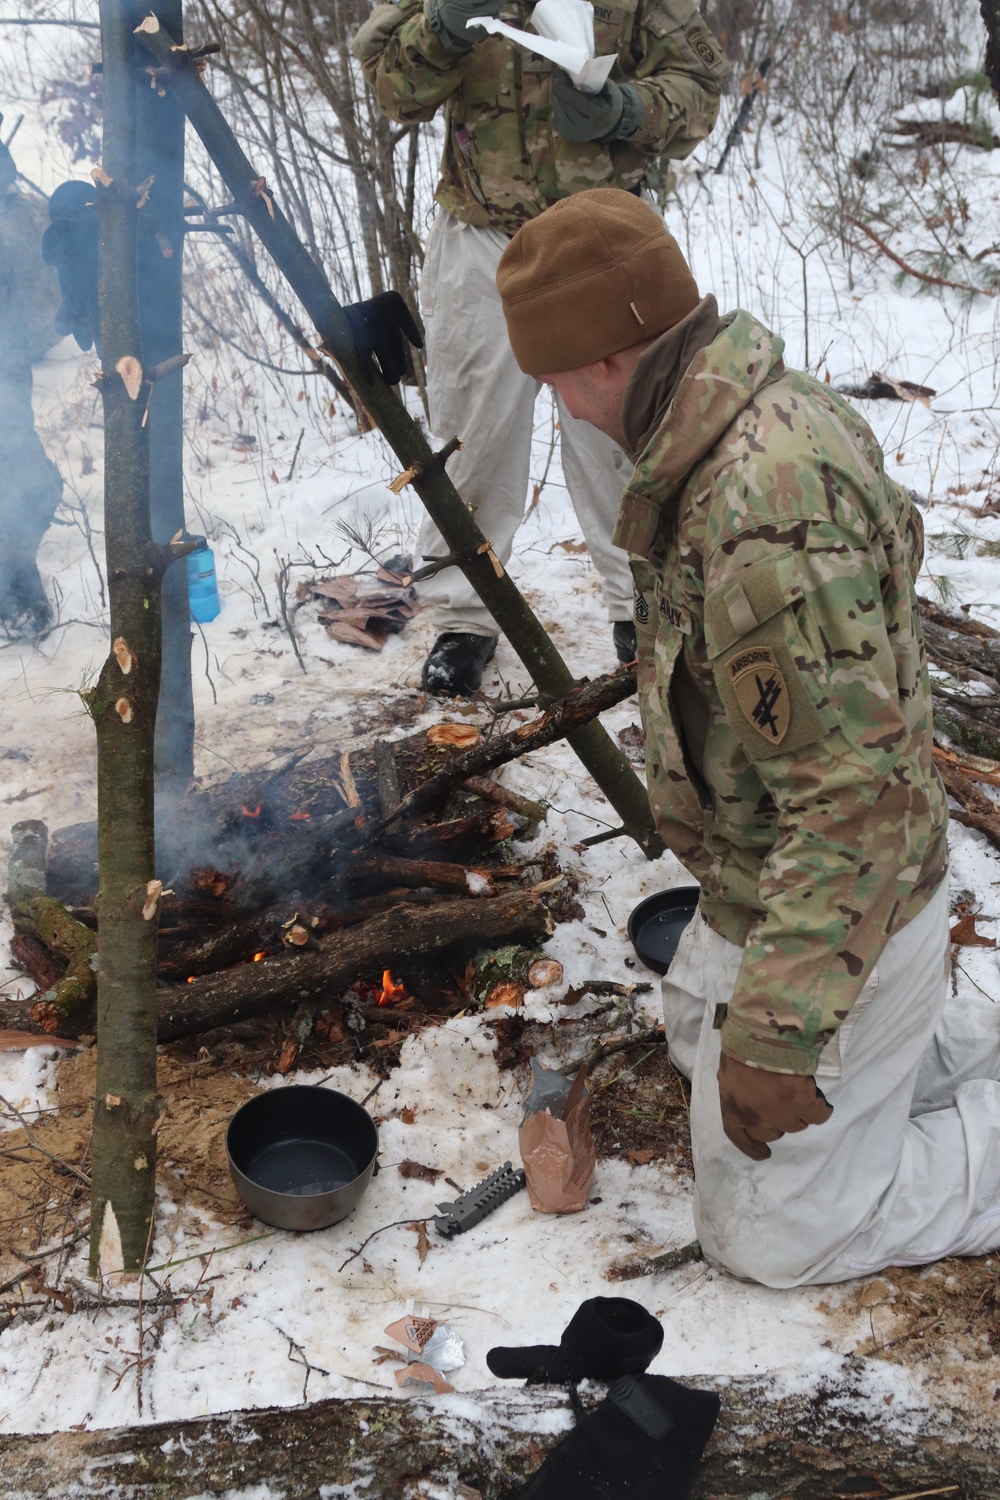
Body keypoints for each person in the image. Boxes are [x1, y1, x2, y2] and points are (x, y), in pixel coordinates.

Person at [495, 187, 1000, 1287]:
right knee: (694, 1031)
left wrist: (779, 1032)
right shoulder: (730, 416)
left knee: (765, 1234)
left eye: (548, 381)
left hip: (849, 895)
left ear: (595, 362)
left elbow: (851, 804)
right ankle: (924, 1049)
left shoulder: (762, 507)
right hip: (767, 881)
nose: (554, 406)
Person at [352, 0, 730, 695]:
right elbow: (389, 87)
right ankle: (465, 615)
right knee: (472, 437)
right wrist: (441, 28)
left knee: (630, 430)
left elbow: (699, 87)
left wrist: (626, 111)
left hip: (604, 232)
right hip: (481, 235)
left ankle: (642, 606)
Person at [0, 124, 64, 639]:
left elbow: (42, 301)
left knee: (28, 477)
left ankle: (16, 587)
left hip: (7, 369)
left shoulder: (14, 220)